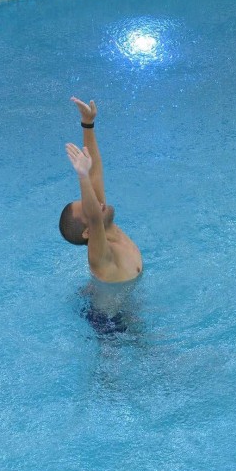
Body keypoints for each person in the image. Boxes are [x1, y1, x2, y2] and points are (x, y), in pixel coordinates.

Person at [59, 97, 143, 329]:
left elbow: (95, 171)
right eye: (90, 206)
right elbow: (95, 217)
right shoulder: (99, 253)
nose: (97, 203)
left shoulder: (108, 227)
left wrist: (88, 124)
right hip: (107, 320)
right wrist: (81, 176)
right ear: (88, 231)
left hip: (119, 298)